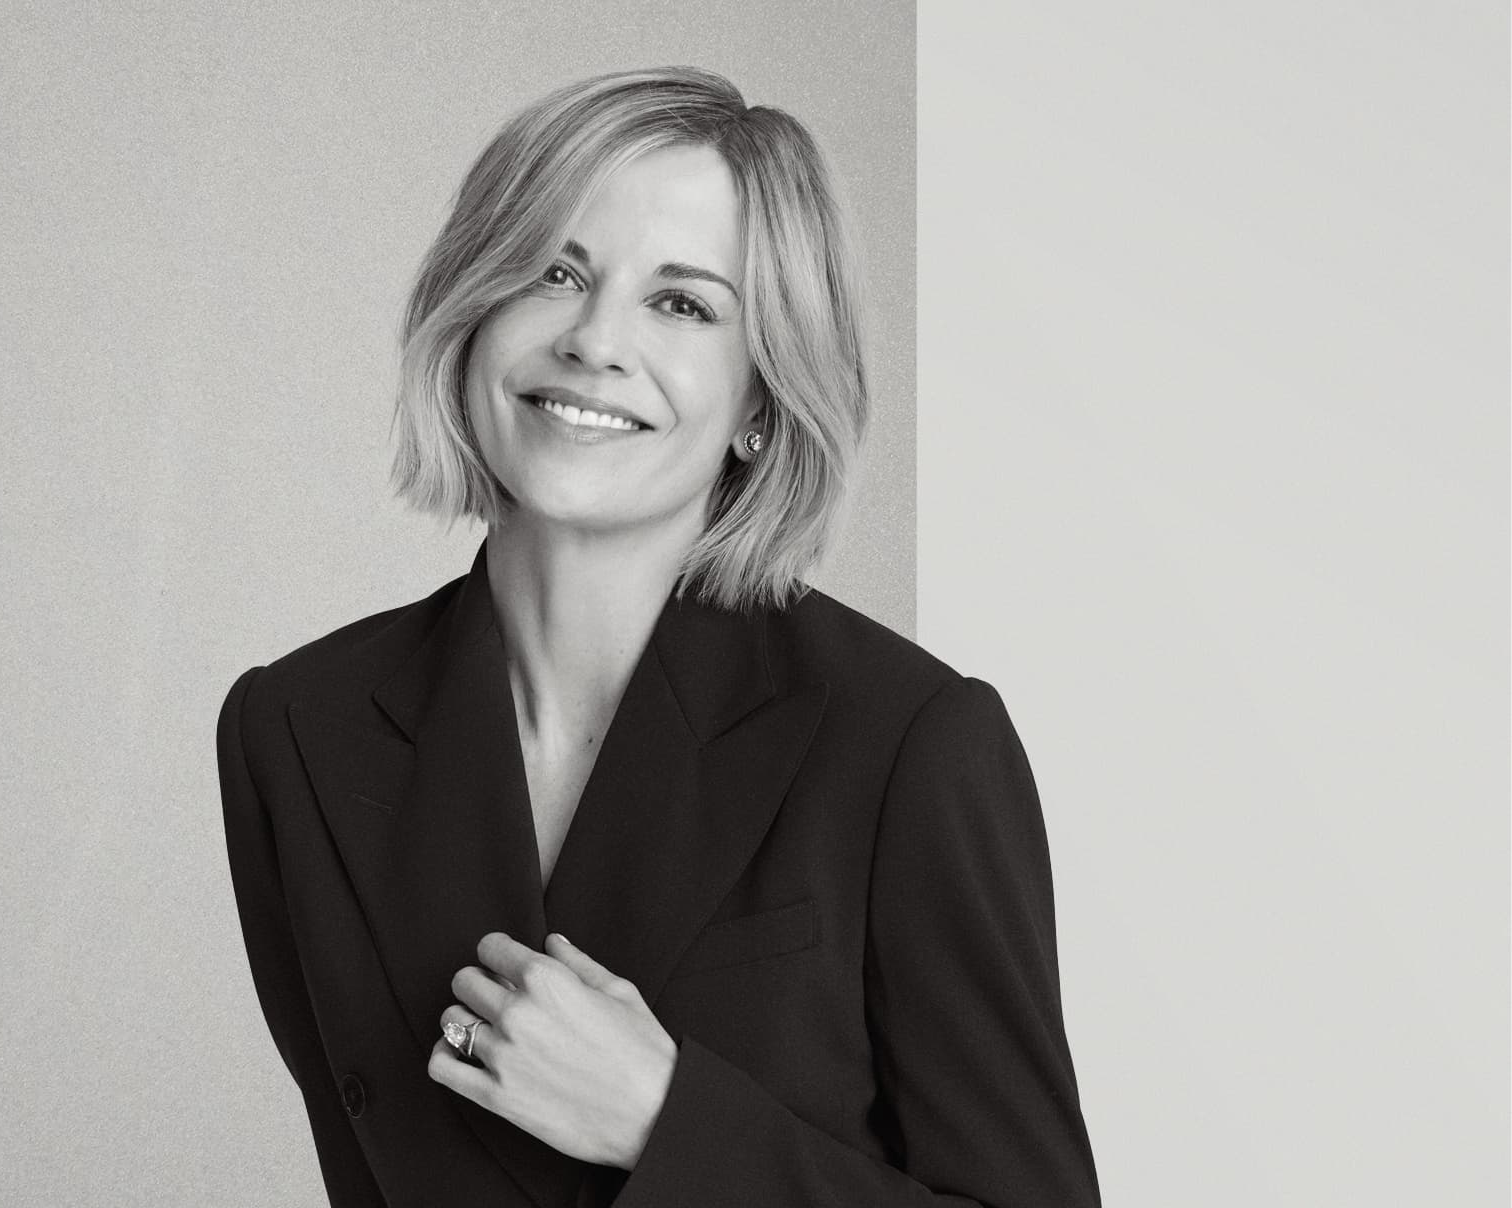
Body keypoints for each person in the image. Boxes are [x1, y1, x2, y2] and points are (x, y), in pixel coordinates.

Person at [217, 66, 1100, 1207]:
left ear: (759, 404)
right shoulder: (297, 728)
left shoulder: (911, 745)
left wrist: (668, 1121)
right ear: (473, 306)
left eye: (680, 303)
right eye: (553, 270)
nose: (594, 340)